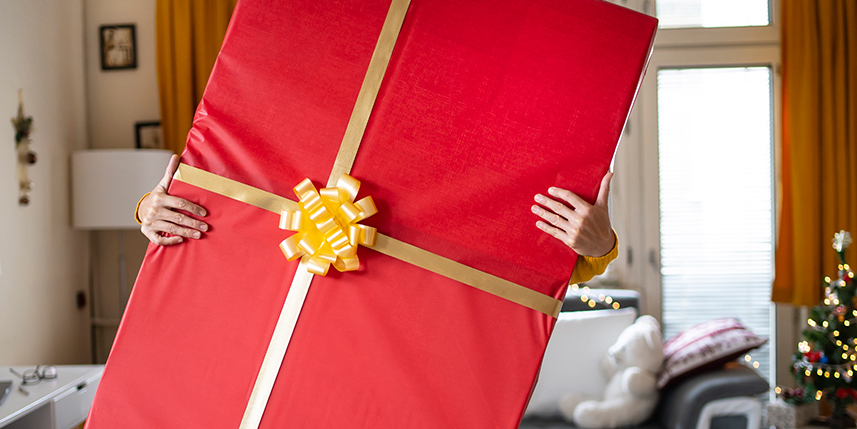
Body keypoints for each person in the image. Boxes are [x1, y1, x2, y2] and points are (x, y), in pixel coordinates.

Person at [136, 155, 617, 285]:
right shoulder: (298, 133)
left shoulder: (487, 180)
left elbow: (539, 276)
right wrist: (148, 209)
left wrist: (600, 246)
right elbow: (228, 200)